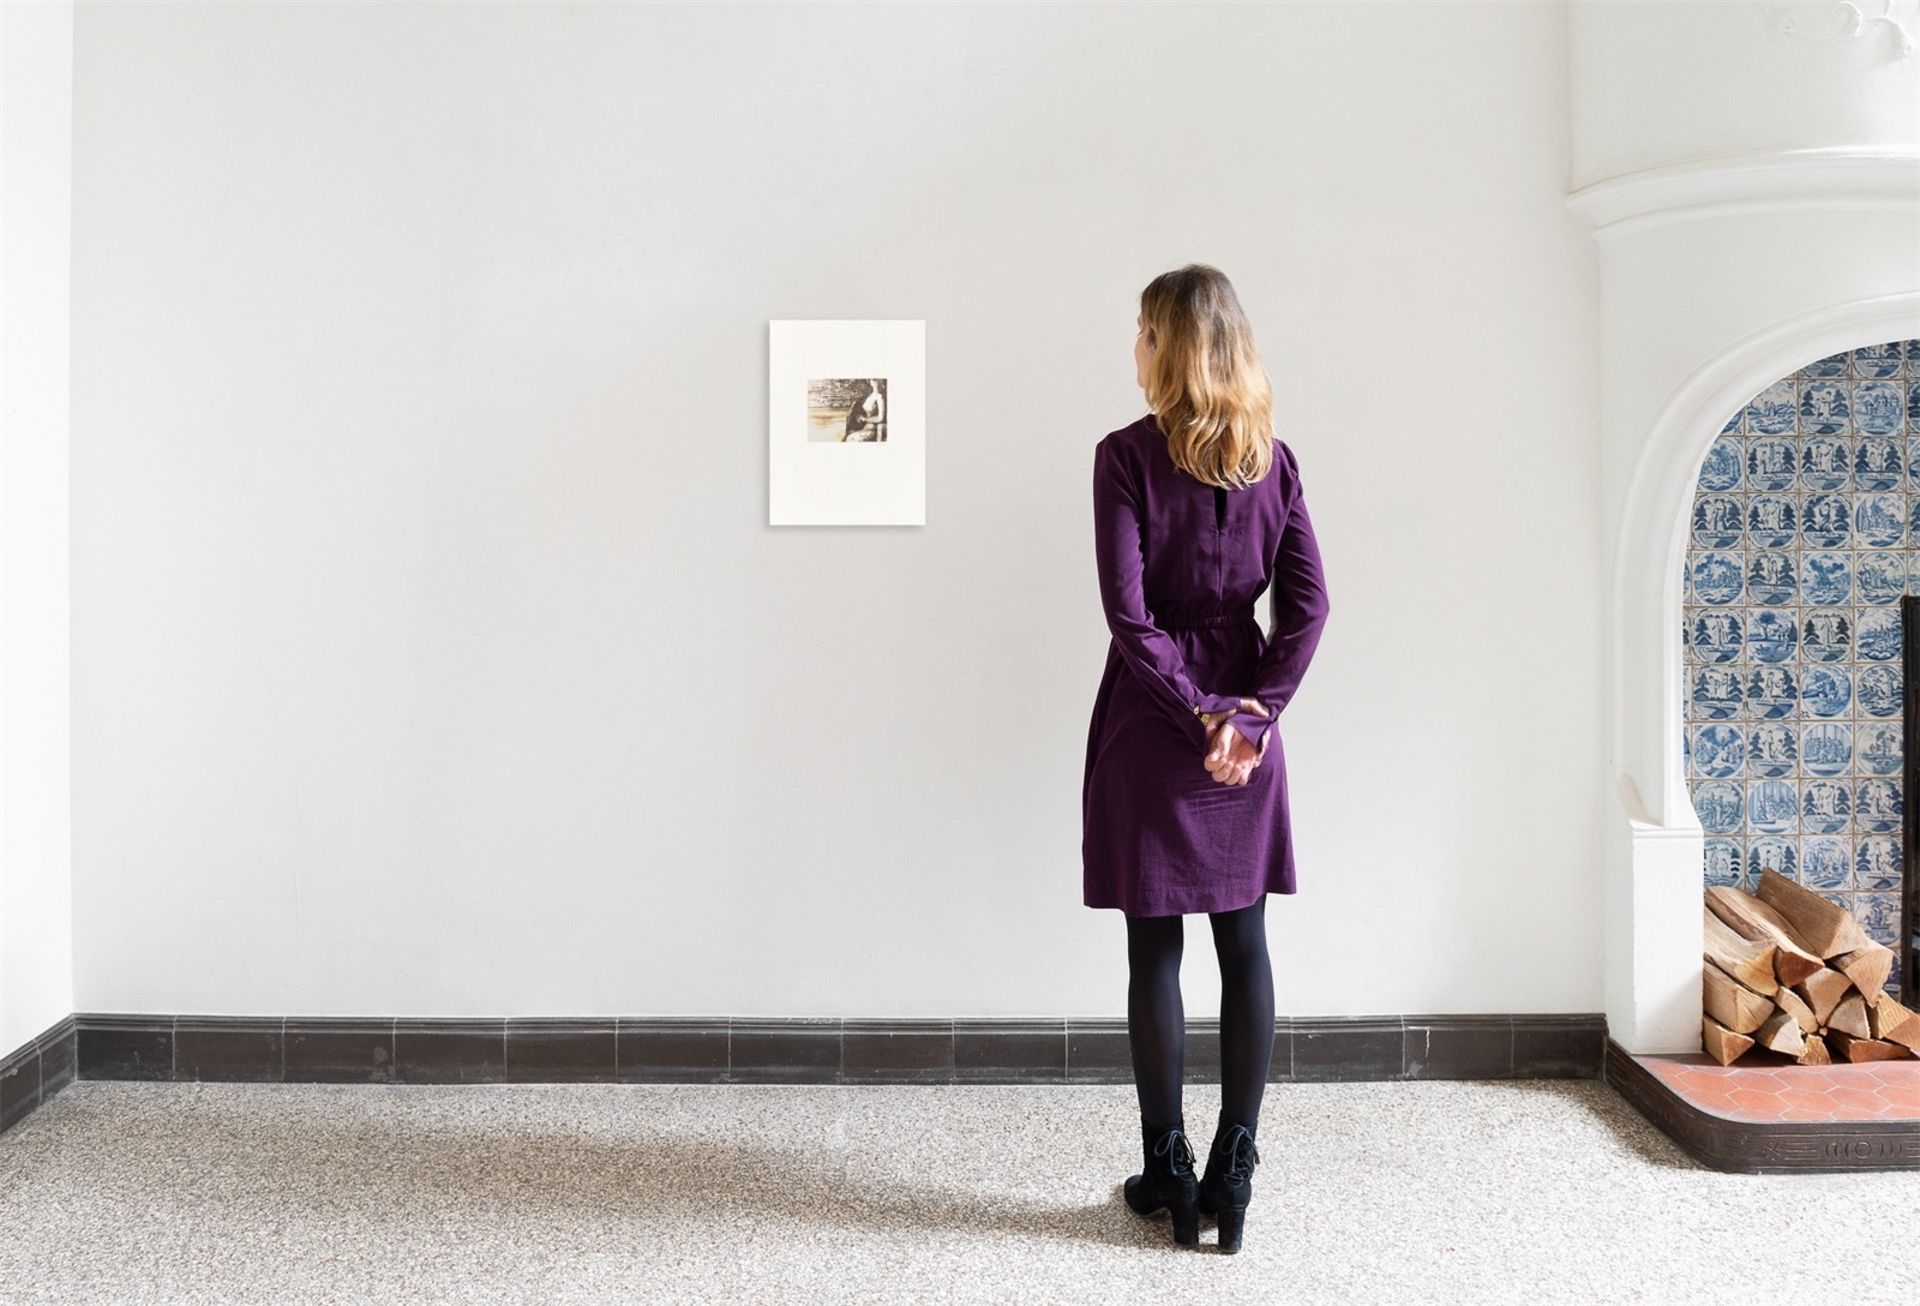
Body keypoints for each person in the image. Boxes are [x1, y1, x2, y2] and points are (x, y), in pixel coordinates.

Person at [1081, 263, 1331, 1253]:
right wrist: (1252, 716)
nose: (1132, 348)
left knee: (1155, 949)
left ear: (1170, 348)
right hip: (1240, 733)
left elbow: (1130, 619)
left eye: (1142, 332)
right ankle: (1236, 1167)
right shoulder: (1276, 461)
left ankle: (1170, 1171)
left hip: (1152, 722)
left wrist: (1196, 715)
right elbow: (1307, 608)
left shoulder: (1123, 458)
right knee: (1246, 946)